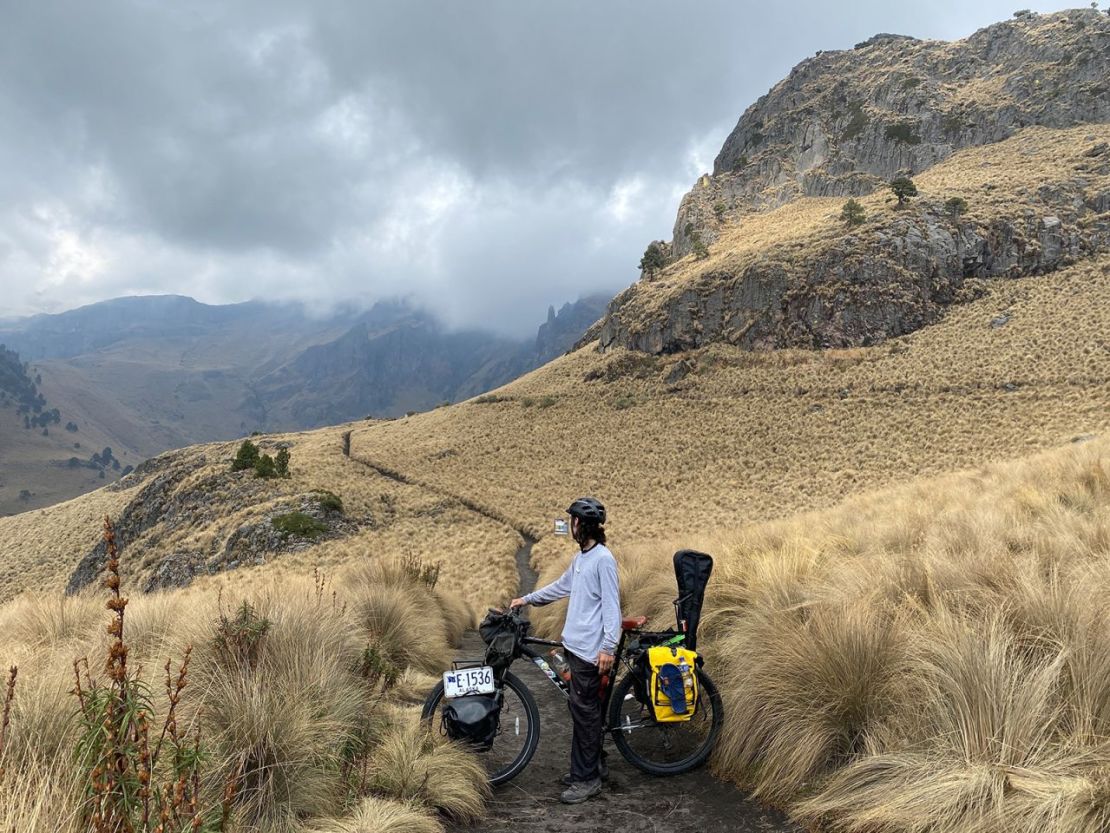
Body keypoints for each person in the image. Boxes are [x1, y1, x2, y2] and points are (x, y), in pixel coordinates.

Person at [510, 496, 620, 805]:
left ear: (582, 526)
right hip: (575, 646)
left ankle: (588, 780)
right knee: (582, 710)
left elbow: (612, 607)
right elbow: (560, 587)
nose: (570, 525)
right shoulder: (582, 559)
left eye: (573, 521)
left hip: (589, 652)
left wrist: (608, 648)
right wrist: (527, 599)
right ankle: (590, 766)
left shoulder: (602, 559)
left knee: (584, 714)